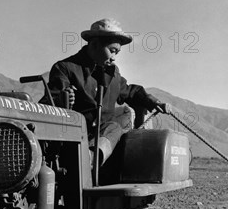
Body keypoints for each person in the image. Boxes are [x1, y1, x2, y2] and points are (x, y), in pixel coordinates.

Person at [42, 18, 170, 165]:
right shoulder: (65, 68)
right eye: (112, 51)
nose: (114, 58)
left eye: (117, 53)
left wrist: (153, 102)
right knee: (114, 127)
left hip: (103, 134)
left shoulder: (113, 74)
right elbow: (47, 105)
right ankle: (86, 159)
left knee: (124, 115)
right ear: (95, 44)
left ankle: (92, 158)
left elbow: (130, 92)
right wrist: (63, 100)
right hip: (73, 139)